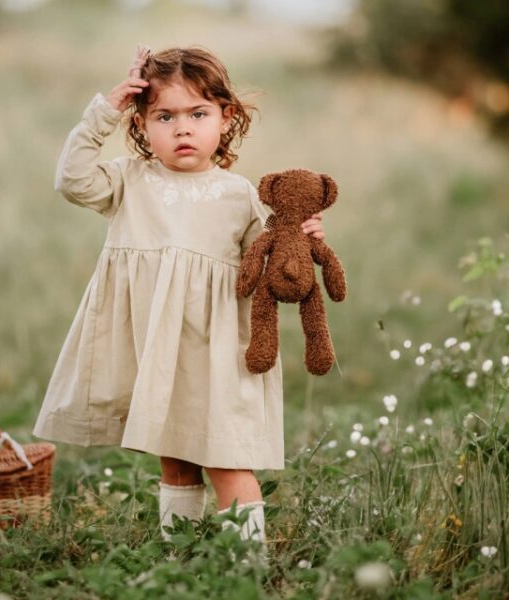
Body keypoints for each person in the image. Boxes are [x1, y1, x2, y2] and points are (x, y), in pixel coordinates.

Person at [32, 44, 326, 559]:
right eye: (164, 116)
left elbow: (278, 263)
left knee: (228, 459)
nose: (182, 128)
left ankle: (245, 567)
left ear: (225, 118)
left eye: (198, 114)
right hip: (160, 355)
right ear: (141, 124)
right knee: (175, 458)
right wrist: (104, 111)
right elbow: (71, 180)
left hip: (218, 354)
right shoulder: (128, 181)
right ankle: (181, 559)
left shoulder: (238, 195)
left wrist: (301, 237)